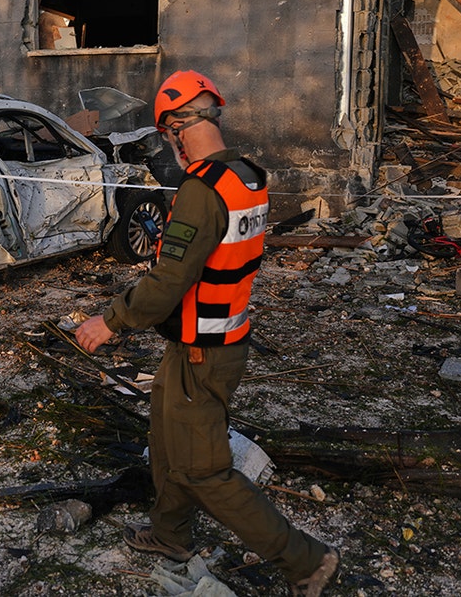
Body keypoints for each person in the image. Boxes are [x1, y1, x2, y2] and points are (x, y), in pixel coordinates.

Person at [74, 71, 339, 596]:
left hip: (205, 350)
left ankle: (306, 560)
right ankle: (170, 535)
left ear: (176, 127)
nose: (166, 144)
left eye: (164, 134)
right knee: (166, 442)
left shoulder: (202, 189)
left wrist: (112, 320)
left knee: (202, 470)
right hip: (205, 340)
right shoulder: (246, 173)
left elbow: (170, 279)